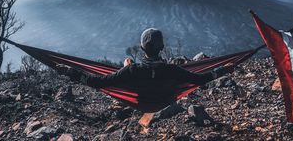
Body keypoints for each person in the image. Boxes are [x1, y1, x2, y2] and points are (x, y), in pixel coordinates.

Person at [57, 28, 234, 108]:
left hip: (141, 102)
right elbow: (202, 79)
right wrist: (224, 69)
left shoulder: (132, 71)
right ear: (162, 48)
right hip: (164, 101)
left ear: (142, 49)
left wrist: (69, 71)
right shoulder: (172, 70)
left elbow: (95, 82)